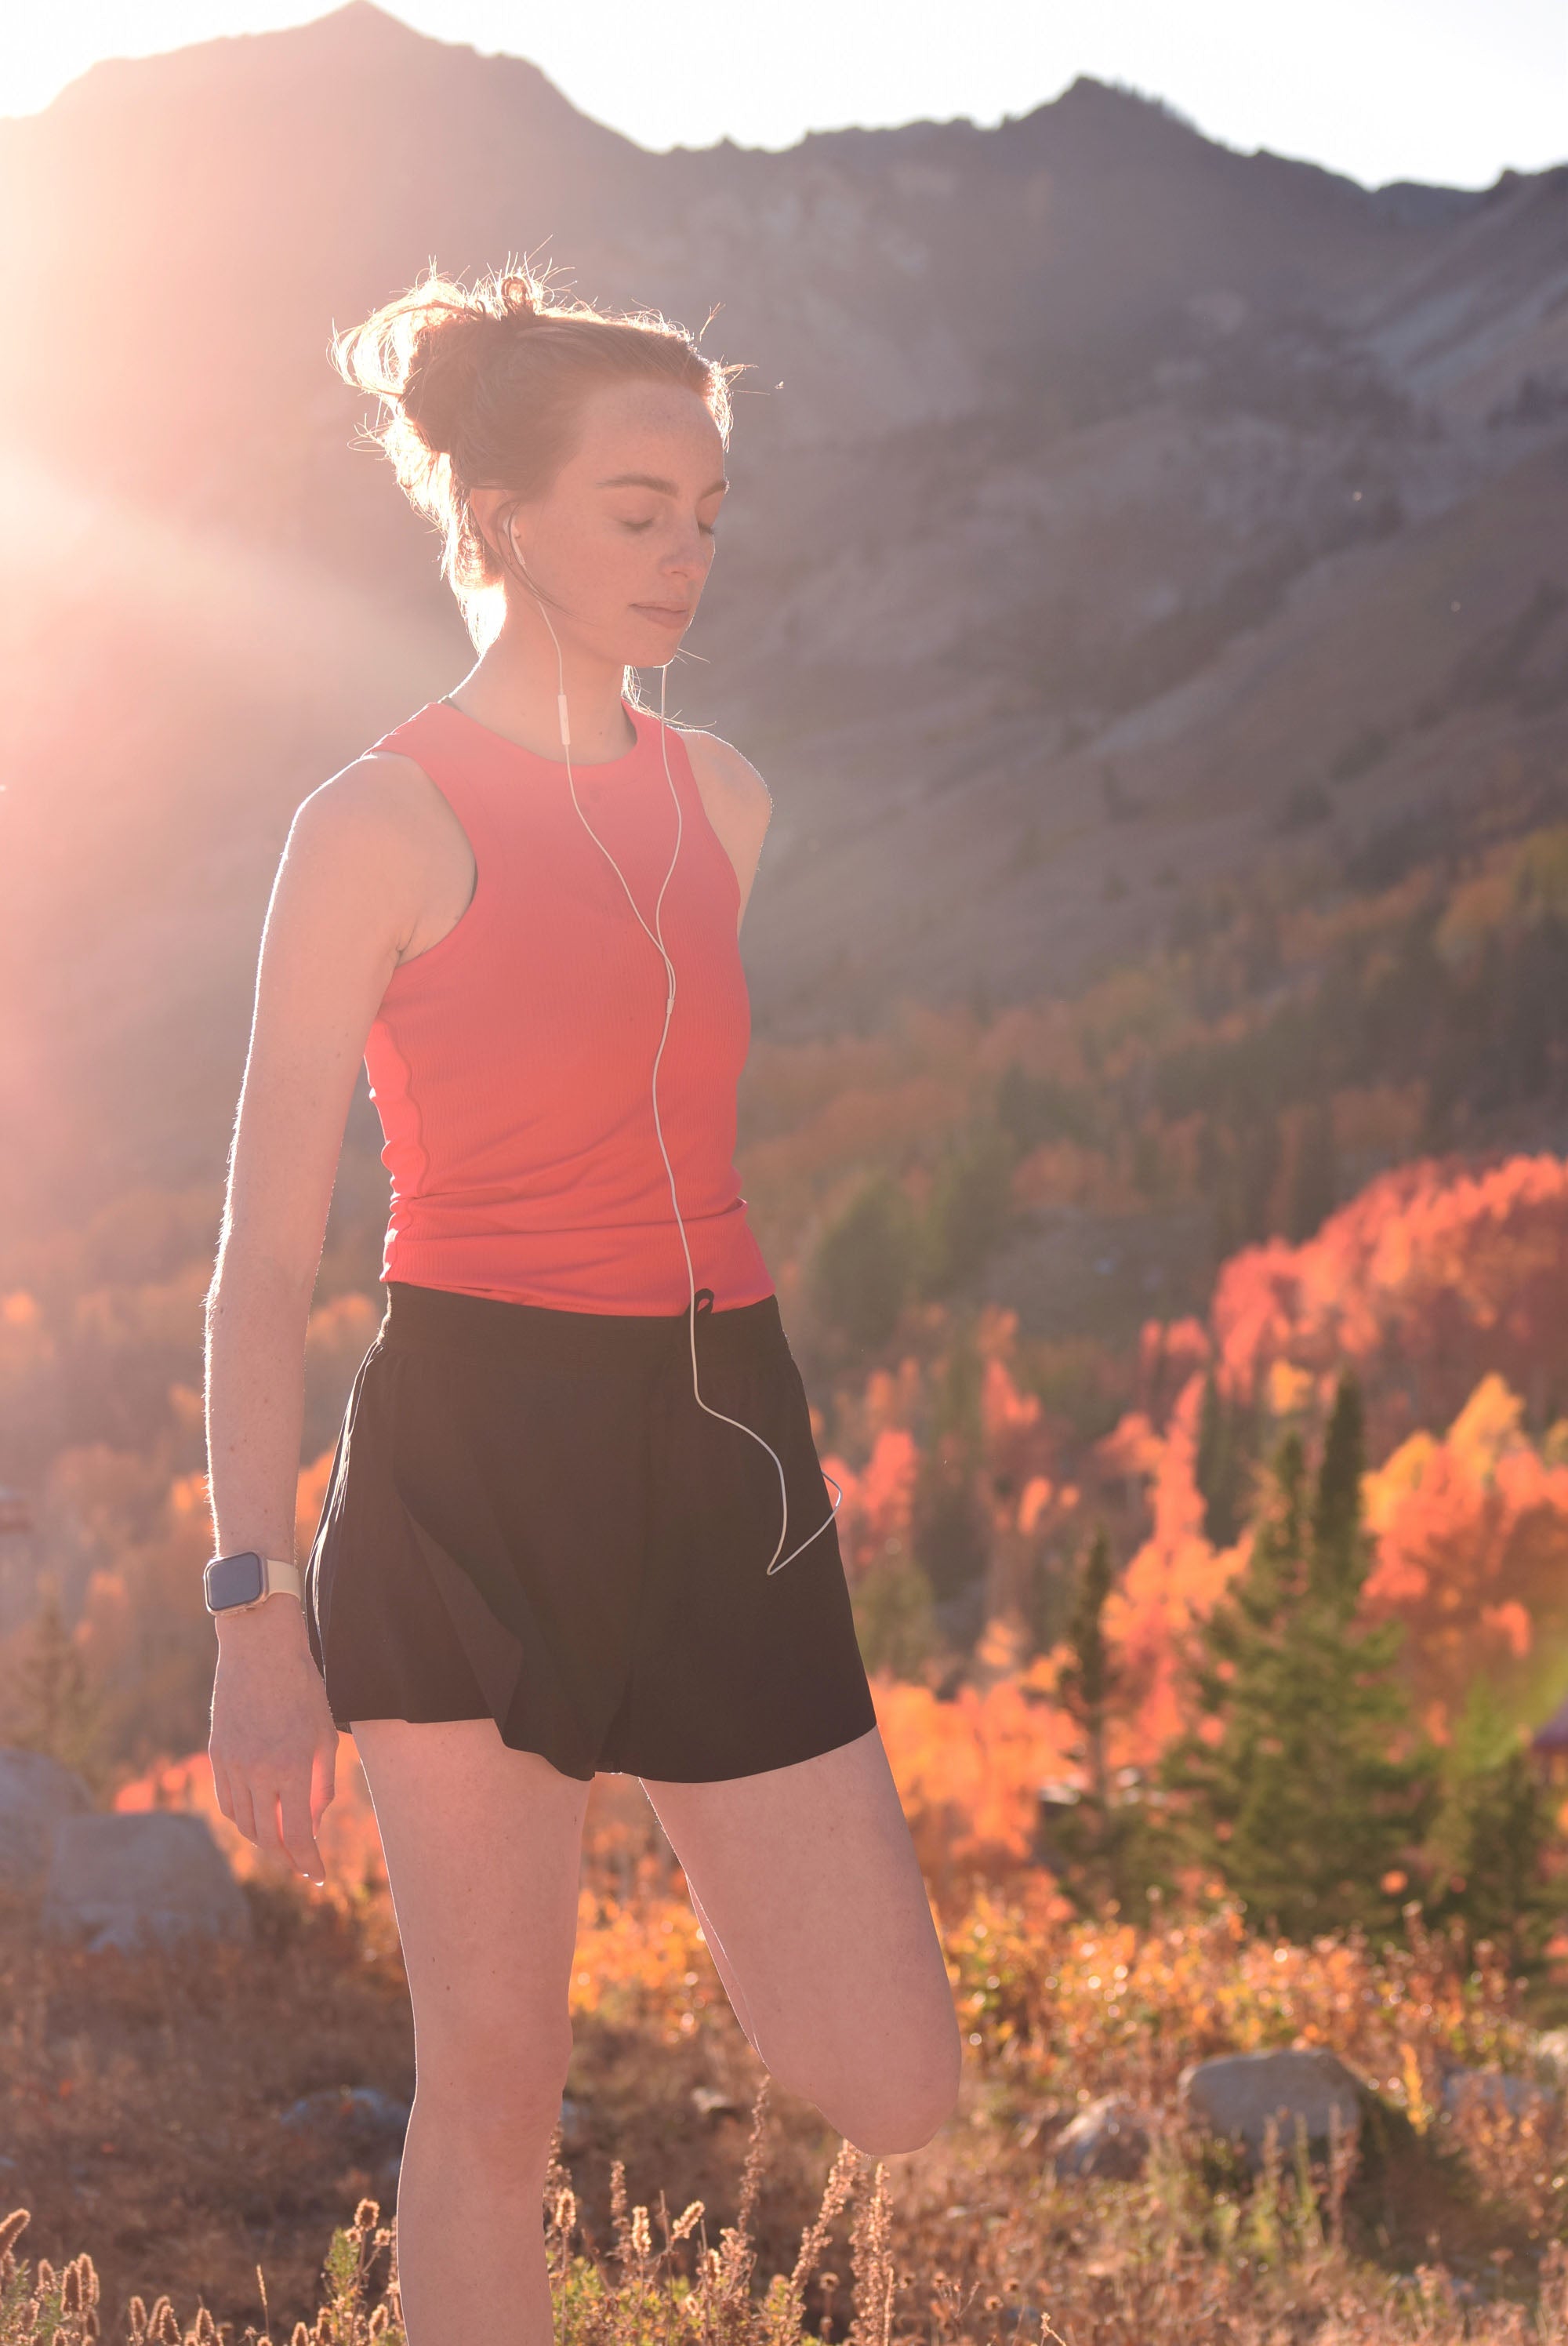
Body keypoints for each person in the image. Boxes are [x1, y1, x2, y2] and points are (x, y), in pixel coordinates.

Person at [203, 261, 961, 2346]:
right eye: (639, 510)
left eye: (708, 511)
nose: (685, 554)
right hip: (473, 1453)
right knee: (497, 2092)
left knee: (895, 2084)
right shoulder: (374, 822)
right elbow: (263, 1259)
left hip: (728, 1440)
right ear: (503, 516)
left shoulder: (723, 799)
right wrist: (252, 1610)